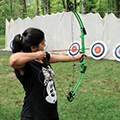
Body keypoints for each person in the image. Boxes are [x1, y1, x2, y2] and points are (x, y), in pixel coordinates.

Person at [9, 28, 85, 120]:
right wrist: (35, 55)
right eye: (42, 43)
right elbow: (13, 60)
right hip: (33, 115)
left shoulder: (43, 57)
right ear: (33, 48)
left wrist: (75, 58)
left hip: (50, 112)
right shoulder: (25, 64)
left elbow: (59, 58)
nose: (45, 45)